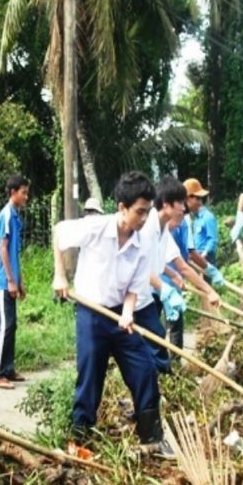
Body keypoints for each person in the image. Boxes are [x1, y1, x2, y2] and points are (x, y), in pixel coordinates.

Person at [52, 171, 174, 458]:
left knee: (144, 368)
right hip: (91, 312)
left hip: (120, 314)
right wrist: (60, 275)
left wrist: (128, 313)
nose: (144, 219)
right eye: (139, 212)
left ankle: (152, 438)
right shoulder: (96, 227)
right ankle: (82, 439)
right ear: (122, 208)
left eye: (147, 212)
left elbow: (134, 286)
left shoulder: (143, 242)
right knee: (91, 374)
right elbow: (59, 232)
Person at [155, 178, 220, 352]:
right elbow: (141, 266)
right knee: (153, 336)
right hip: (150, 290)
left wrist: (174, 276)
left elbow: (178, 262)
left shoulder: (171, 228)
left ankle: (172, 369)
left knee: (173, 329)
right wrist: (209, 289)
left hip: (170, 283)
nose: (184, 208)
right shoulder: (148, 227)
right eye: (182, 203)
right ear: (166, 204)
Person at [0, 175, 29, 389]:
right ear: (13, 192)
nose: (26, 196)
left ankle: (8, 368)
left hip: (10, 281)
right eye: (23, 192)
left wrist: (20, 281)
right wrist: (10, 281)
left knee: (12, 326)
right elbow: (3, 250)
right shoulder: (6, 215)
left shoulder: (15, 217)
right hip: (1, 281)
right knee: (3, 327)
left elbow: (15, 253)